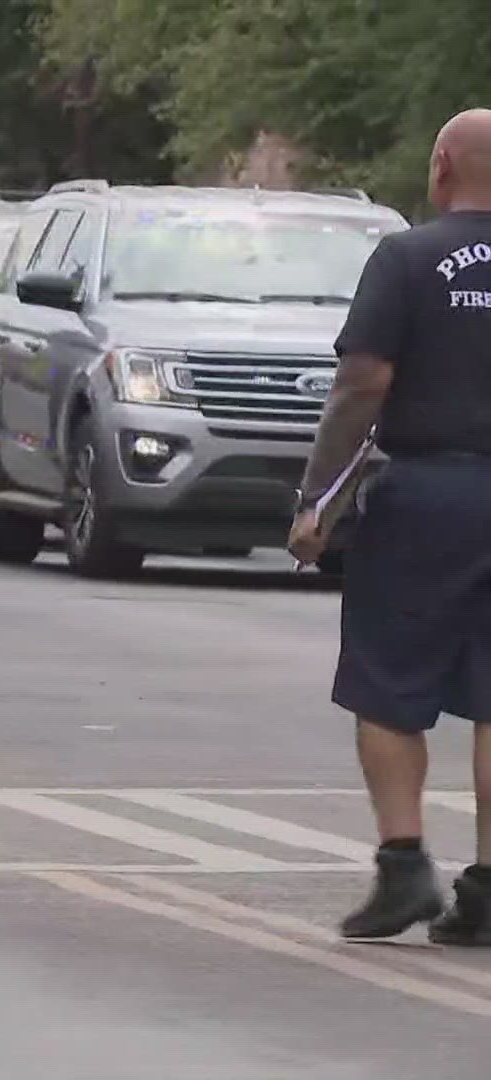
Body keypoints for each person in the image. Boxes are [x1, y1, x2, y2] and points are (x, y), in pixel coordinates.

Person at [289, 108, 491, 948]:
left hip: (428, 495)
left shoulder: (408, 257)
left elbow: (364, 382)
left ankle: (405, 866)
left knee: (386, 681)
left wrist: (318, 497)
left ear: (442, 163)